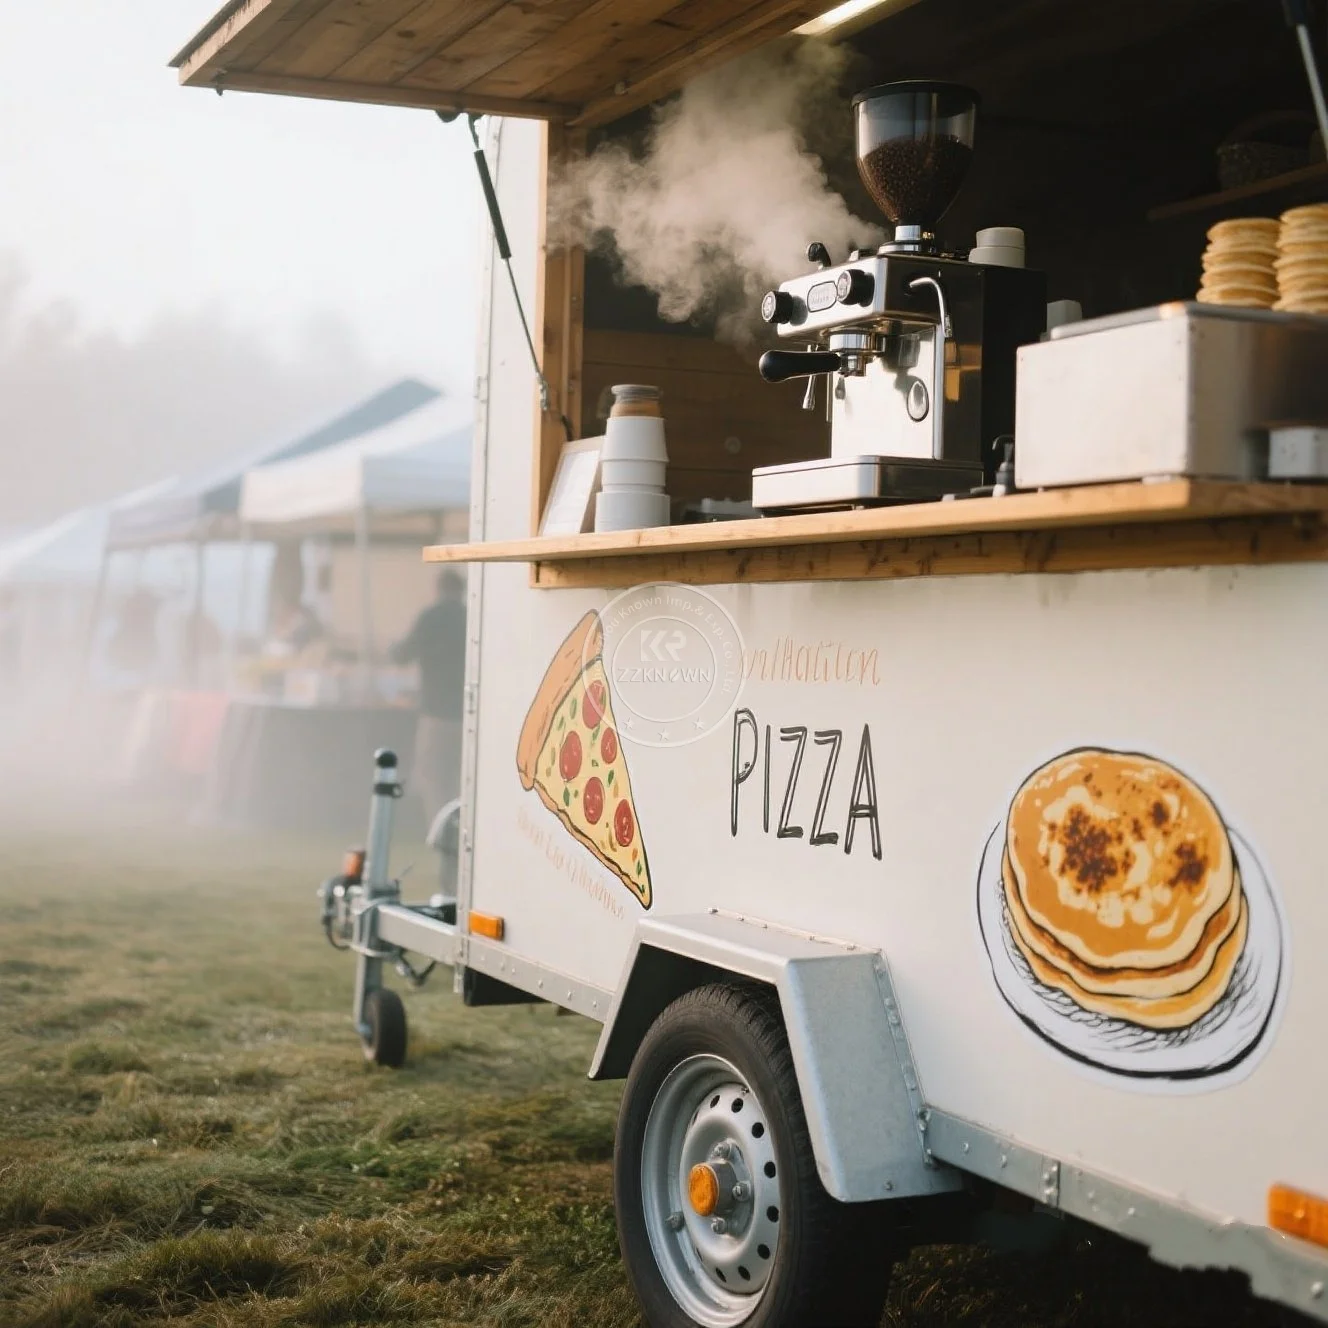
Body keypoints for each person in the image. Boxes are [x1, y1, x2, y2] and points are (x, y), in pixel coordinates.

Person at [391, 570, 467, 821]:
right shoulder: (469, 617)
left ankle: (439, 828)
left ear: (439, 589)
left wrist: (390, 648)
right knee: (461, 777)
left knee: (433, 777)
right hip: (466, 714)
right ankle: (461, 825)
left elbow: (402, 655)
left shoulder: (430, 617)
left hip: (435, 712)